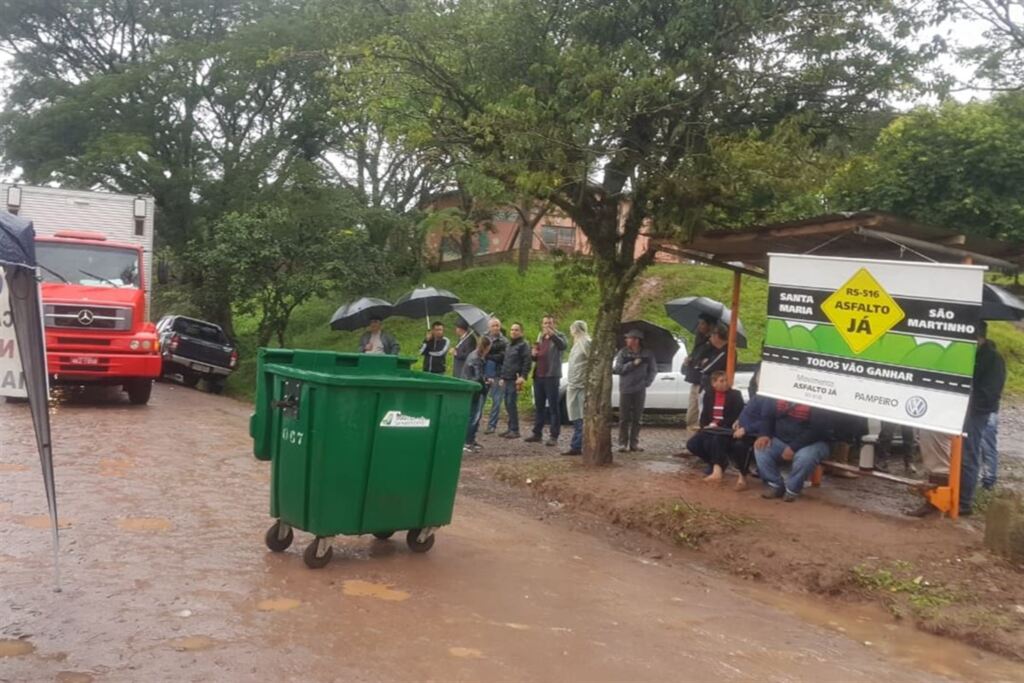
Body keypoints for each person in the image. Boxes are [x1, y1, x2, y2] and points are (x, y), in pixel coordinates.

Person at [959, 321, 1006, 516]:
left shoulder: (993, 359)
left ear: (979, 337)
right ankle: (956, 493)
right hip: (963, 410)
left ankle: (965, 501)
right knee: (958, 453)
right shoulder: (969, 355)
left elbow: (991, 392)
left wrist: (973, 402)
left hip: (977, 412)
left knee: (970, 453)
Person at [754, 400, 831, 502]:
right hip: (781, 439)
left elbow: (818, 429)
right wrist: (764, 434)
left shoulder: (818, 400)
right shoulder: (776, 395)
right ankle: (775, 484)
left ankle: (792, 490)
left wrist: (793, 447)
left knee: (805, 458)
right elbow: (768, 416)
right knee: (760, 448)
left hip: (813, 443)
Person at [686, 371, 745, 484]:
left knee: (716, 440)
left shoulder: (735, 395)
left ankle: (717, 470)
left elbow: (735, 415)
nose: (725, 383)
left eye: (726, 380)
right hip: (710, 428)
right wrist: (705, 426)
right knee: (692, 444)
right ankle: (714, 463)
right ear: (714, 383)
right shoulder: (709, 394)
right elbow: (704, 414)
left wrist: (717, 425)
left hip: (726, 429)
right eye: (721, 381)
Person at [526, 315, 569, 446]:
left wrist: (553, 335)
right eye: (545, 323)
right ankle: (537, 433)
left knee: (553, 406)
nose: (547, 326)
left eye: (550, 323)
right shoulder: (540, 336)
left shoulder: (560, 336)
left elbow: (563, 347)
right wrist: (533, 354)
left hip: (551, 376)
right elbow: (537, 356)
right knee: (539, 406)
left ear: (554, 324)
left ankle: (554, 436)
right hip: (539, 375)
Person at [613, 329, 657, 452]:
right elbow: (618, 369)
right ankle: (622, 443)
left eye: (629, 338)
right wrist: (632, 364)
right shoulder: (623, 353)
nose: (627, 340)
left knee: (638, 418)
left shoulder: (648, 354)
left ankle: (634, 443)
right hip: (626, 388)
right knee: (623, 418)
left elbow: (653, 370)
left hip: (640, 389)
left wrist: (647, 382)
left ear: (636, 340)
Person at [731, 393, 773, 491]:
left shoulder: (769, 399)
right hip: (743, 430)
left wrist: (746, 429)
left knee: (740, 446)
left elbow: (767, 421)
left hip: (757, 433)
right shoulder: (758, 395)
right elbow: (747, 410)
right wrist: (738, 420)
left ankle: (742, 477)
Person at [683, 314, 716, 432]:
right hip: (695, 378)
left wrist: (705, 361)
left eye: (702, 323)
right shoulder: (700, 339)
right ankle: (690, 437)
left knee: (700, 410)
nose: (699, 326)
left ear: (710, 325)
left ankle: (698, 437)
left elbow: (711, 360)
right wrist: (689, 359)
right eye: (699, 323)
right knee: (691, 412)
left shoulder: (714, 342)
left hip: (704, 380)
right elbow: (695, 354)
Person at [498, 322, 532, 439]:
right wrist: (502, 376)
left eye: (516, 330)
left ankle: (515, 429)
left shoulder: (524, 345)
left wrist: (523, 376)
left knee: (511, 403)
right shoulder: (509, 345)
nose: (513, 332)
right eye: (512, 329)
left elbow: (527, 362)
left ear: (521, 332)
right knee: (507, 403)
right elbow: (506, 362)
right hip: (507, 378)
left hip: (515, 378)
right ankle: (510, 428)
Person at [563, 320, 591, 456]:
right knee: (574, 414)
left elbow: (592, 360)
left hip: (581, 385)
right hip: (574, 384)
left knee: (580, 415)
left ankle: (577, 445)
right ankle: (577, 444)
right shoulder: (577, 343)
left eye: (572, 329)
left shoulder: (586, 342)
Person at [462, 336, 492, 452]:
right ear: (487, 347)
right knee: (474, 416)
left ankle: (470, 439)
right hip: (475, 390)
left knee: (472, 415)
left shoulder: (473, 354)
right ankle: (467, 442)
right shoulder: (477, 358)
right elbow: (478, 377)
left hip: (469, 387)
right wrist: (485, 386)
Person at [483, 318, 509, 434]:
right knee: (480, 399)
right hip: (484, 373)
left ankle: (492, 425)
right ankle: (475, 421)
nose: (495, 328)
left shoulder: (504, 341)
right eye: (493, 326)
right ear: (489, 327)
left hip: (498, 373)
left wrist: (487, 354)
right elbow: (479, 353)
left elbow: (502, 357)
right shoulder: (484, 338)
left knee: (496, 400)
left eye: (497, 325)